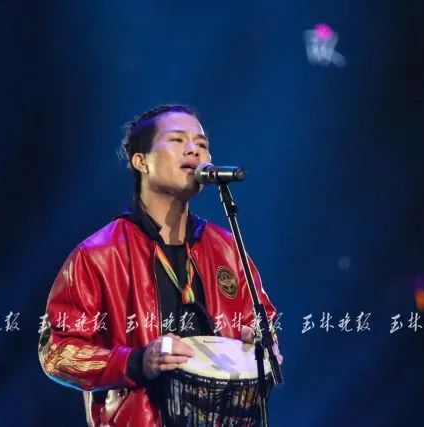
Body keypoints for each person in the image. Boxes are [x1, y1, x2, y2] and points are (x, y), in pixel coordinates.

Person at [39, 104, 281, 426]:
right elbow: (58, 351)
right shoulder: (98, 254)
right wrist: (136, 361)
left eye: (202, 143)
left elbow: (262, 320)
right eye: (178, 140)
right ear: (141, 161)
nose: (194, 150)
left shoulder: (227, 248)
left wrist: (262, 343)